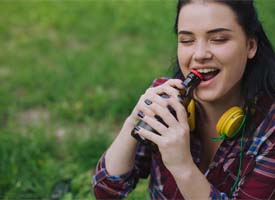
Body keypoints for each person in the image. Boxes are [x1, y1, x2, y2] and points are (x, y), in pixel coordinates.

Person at [93, 0, 275, 199]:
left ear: (250, 46)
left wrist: (182, 167)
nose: (199, 55)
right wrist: (132, 123)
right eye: (187, 40)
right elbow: (106, 192)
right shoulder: (165, 98)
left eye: (219, 39)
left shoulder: (270, 130)